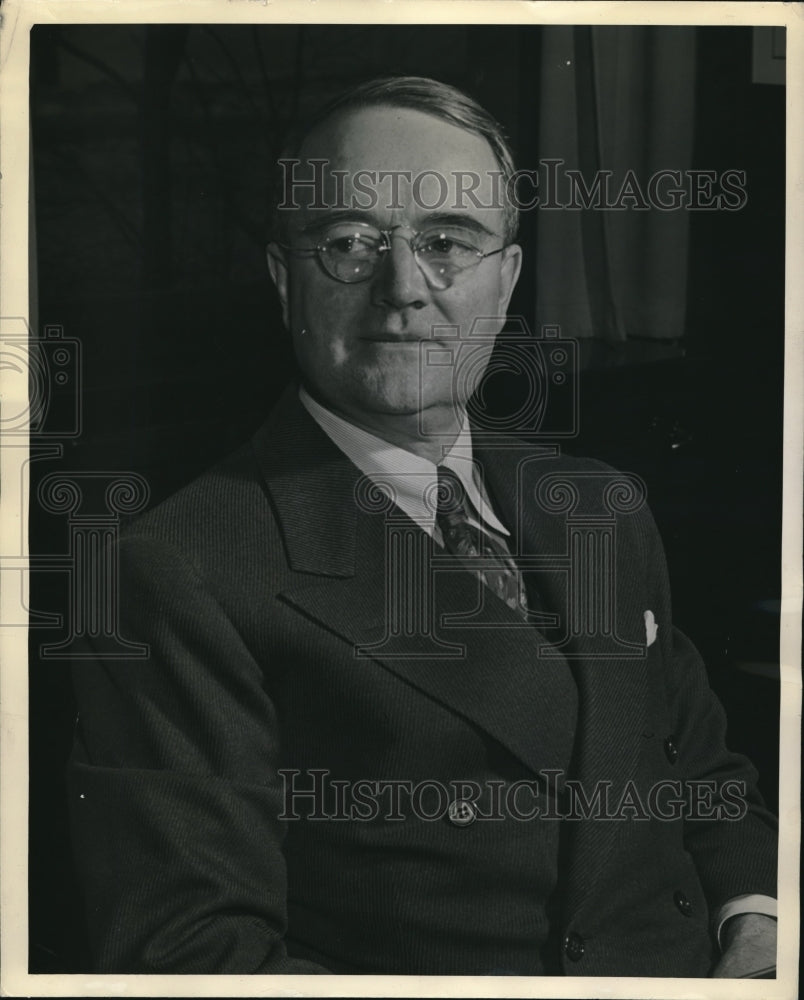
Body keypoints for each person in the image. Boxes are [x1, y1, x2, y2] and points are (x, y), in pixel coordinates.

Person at [68, 75, 777, 978]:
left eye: (449, 242)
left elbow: (705, 778)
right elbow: (197, 955)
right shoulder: (177, 568)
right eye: (348, 245)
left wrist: (758, 925)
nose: (403, 288)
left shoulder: (602, 506)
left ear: (507, 281)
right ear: (286, 281)